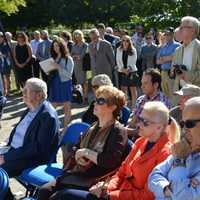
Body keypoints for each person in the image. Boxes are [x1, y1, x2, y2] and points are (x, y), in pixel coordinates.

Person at [57, 101, 180, 200]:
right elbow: (122, 171)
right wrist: (107, 188)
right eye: (139, 118)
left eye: (145, 122)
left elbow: (148, 195)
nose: (138, 124)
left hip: (123, 197)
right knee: (58, 193)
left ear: (159, 127)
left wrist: (110, 195)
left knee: (64, 196)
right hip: (117, 192)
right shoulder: (141, 141)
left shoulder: (165, 154)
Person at [37, 85, 128, 200]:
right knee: (44, 191)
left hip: (96, 179)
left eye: (101, 101)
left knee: (57, 197)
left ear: (113, 107)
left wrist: (85, 153)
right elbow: (76, 147)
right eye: (95, 100)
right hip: (78, 173)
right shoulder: (93, 127)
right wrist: (77, 155)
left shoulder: (118, 131)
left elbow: (110, 161)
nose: (95, 103)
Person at [0, 78, 59, 178]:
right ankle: (5, 193)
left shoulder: (48, 116)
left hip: (32, 159)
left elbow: (37, 148)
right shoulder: (31, 108)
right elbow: (21, 133)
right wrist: (6, 144)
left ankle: (5, 193)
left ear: (39, 95)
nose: (23, 93)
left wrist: (6, 157)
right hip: (15, 151)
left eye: (26, 90)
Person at [148, 96, 200, 200]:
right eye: (182, 123)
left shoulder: (180, 153)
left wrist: (179, 161)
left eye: (189, 124)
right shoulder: (185, 149)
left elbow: (183, 198)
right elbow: (153, 176)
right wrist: (166, 189)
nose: (184, 129)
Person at [128, 68, 171, 140]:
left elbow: (154, 131)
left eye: (146, 83)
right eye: (142, 83)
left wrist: (126, 131)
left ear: (155, 85)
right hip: (136, 138)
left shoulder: (162, 104)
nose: (142, 87)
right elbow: (132, 122)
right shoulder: (141, 99)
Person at [48, 38, 74, 127]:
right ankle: (54, 127)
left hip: (64, 84)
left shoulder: (68, 59)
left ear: (62, 46)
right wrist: (48, 69)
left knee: (67, 108)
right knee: (51, 108)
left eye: (57, 45)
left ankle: (65, 128)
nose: (56, 48)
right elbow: (50, 72)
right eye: (54, 46)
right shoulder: (53, 58)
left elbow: (69, 75)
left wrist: (58, 67)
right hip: (54, 84)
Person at [172, 16, 200, 91]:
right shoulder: (177, 50)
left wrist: (186, 75)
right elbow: (174, 73)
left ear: (193, 30)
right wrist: (173, 71)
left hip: (196, 95)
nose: (179, 30)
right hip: (180, 94)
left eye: (182, 27)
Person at [156, 27, 180, 100]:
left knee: (173, 94)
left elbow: (174, 58)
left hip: (172, 72)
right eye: (165, 34)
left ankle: (173, 110)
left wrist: (164, 58)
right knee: (165, 94)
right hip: (163, 72)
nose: (166, 36)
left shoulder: (177, 45)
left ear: (172, 35)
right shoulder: (163, 46)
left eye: (168, 34)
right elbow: (157, 61)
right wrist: (168, 58)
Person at [116, 35, 139, 108]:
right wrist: (122, 69)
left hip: (131, 71)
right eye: (123, 40)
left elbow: (133, 62)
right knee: (123, 90)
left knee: (133, 90)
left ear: (129, 42)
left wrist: (128, 69)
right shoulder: (119, 49)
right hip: (122, 71)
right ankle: (124, 107)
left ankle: (134, 107)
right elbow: (118, 61)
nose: (125, 42)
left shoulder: (133, 50)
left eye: (127, 41)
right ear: (121, 41)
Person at [71, 30, 88, 102]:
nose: (77, 36)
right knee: (78, 82)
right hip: (76, 66)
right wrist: (75, 56)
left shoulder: (85, 45)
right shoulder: (73, 45)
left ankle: (85, 97)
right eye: (75, 35)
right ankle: (80, 96)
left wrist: (76, 56)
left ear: (81, 35)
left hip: (84, 65)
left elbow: (82, 56)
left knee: (85, 82)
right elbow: (71, 55)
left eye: (78, 34)